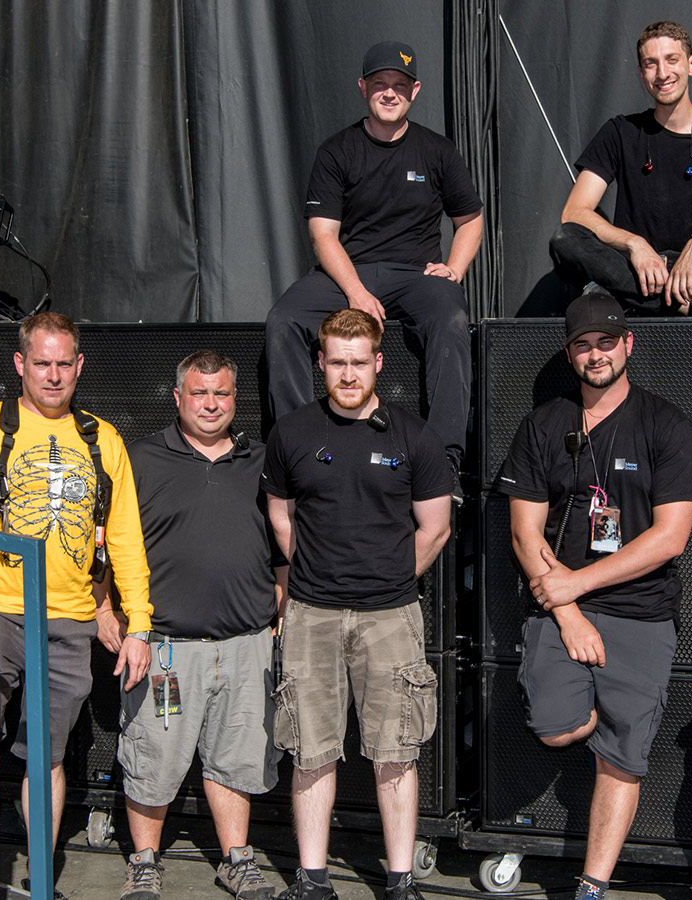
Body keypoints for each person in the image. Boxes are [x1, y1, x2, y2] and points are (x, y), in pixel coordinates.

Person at [0, 312, 153, 900]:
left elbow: (125, 539)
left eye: (64, 364)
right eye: (42, 363)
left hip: (69, 617)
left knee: (46, 755)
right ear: (20, 363)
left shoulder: (102, 440)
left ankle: (39, 878)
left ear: (80, 366)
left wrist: (138, 623)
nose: (53, 376)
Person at [494, 291, 692, 900]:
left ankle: (592, 886)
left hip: (641, 612)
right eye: (582, 344)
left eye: (607, 341)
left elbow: (672, 538)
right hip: (560, 609)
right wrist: (570, 612)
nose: (596, 354)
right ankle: (597, 715)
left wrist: (579, 583)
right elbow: (523, 531)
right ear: (569, 352)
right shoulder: (543, 424)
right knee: (556, 726)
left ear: (628, 344)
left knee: (624, 756)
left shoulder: (666, 424)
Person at [262, 309, 454, 900]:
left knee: (396, 751)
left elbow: (437, 527)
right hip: (311, 615)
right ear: (320, 364)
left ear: (378, 362)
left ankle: (400, 882)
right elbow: (280, 514)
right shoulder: (291, 433)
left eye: (359, 361)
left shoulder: (411, 436)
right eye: (337, 362)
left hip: (391, 616)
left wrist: (386, 577)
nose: (348, 373)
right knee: (310, 749)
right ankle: (313, 880)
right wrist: (317, 573)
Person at [108, 350, 288, 900]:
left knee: (237, 756)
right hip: (164, 651)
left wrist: (280, 603)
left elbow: (284, 542)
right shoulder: (138, 460)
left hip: (246, 644)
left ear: (236, 399)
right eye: (200, 393)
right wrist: (102, 611)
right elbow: (104, 543)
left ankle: (237, 860)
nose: (211, 405)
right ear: (178, 397)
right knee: (154, 755)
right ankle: (144, 864)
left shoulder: (263, 461)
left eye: (223, 394)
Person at [265, 39, 484, 469]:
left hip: (416, 274)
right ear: (363, 87)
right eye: (381, 83)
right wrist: (356, 292)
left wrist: (454, 269)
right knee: (284, 320)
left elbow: (471, 219)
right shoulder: (337, 150)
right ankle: (294, 449)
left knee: (453, 318)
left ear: (415, 91)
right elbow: (324, 235)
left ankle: (442, 461)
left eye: (400, 85)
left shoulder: (437, 150)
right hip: (349, 270)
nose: (390, 93)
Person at [549, 20, 692, 318]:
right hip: (636, 269)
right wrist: (634, 245)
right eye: (651, 64)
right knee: (565, 240)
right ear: (641, 73)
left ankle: (626, 300)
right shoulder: (620, 131)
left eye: (671, 60)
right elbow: (574, 212)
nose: (662, 74)